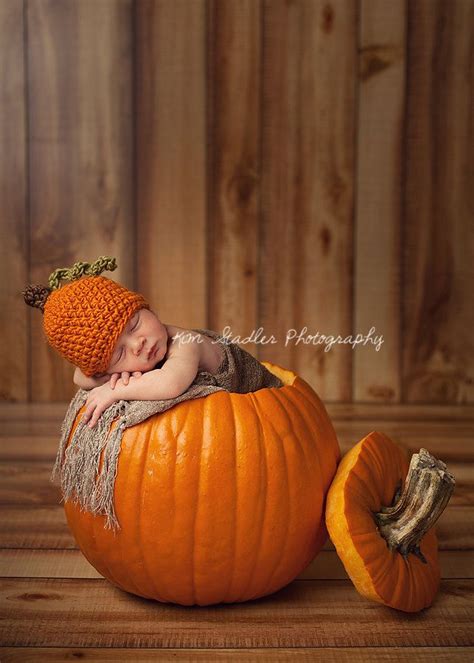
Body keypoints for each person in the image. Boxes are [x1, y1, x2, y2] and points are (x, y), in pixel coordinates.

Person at [22, 256, 228, 429]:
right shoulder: (129, 358)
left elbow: (171, 383)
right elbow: (80, 377)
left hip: (247, 397)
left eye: (134, 325)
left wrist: (115, 389)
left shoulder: (185, 343)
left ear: (146, 309)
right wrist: (116, 373)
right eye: (120, 354)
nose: (137, 344)